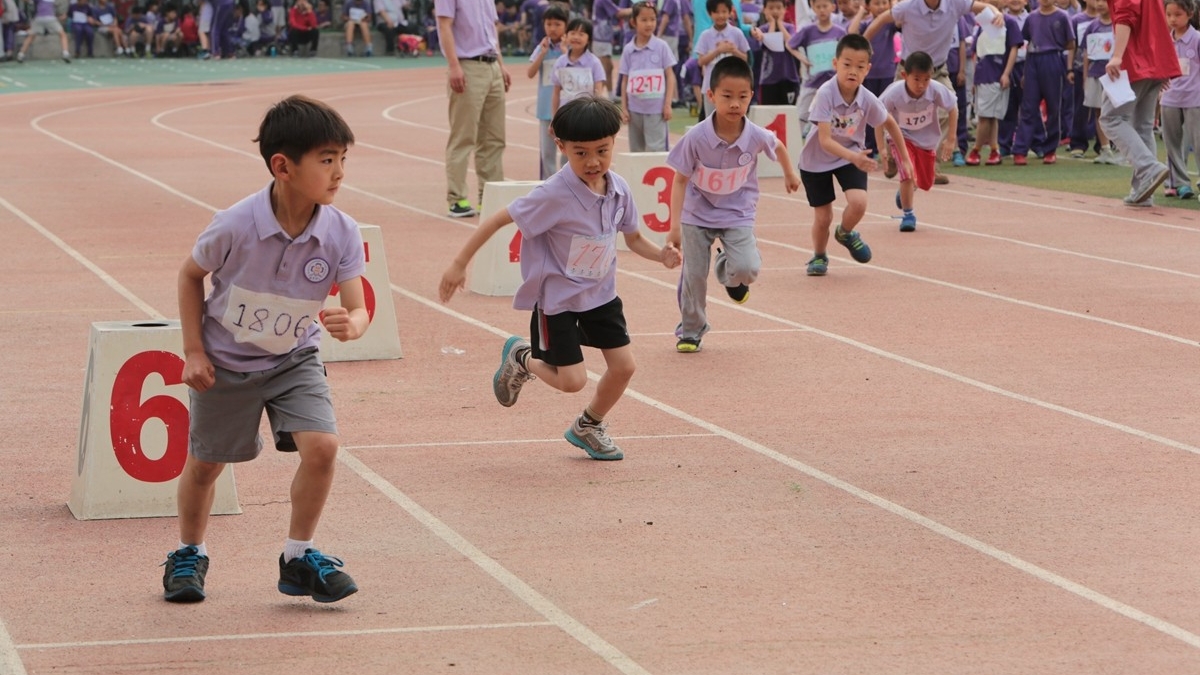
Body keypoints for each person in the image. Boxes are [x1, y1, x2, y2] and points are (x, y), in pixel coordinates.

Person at [162, 95, 366, 605]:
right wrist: (193, 351)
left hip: (293, 358)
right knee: (207, 466)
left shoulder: (342, 231)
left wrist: (353, 324)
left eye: (343, 158)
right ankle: (188, 553)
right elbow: (190, 276)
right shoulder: (234, 224)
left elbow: (359, 306)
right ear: (283, 166)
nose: (339, 172)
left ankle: (299, 557)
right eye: (326, 160)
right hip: (225, 363)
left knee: (322, 448)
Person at [438, 96, 682, 461]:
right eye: (580, 153)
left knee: (625, 367)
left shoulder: (619, 190)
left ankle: (588, 426)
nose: (593, 162)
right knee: (572, 382)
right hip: (558, 301)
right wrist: (459, 263)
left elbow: (632, 239)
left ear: (615, 141)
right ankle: (522, 357)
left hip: (601, 295)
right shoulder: (553, 194)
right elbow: (496, 219)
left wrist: (660, 256)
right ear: (561, 146)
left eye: (602, 150)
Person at [666, 57, 801, 352]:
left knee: (747, 269)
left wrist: (789, 172)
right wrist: (674, 227)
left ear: (751, 96)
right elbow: (679, 180)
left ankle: (728, 269)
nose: (735, 104)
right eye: (727, 97)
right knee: (693, 276)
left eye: (742, 97)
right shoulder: (696, 138)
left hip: (737, 211)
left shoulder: (755, 135)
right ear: (711, 95)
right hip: (696, 213)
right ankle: (691, 330)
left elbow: (776, 145)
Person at [799, 33, 911, 276]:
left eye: (859, 67)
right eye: (846, 64)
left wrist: (905, 160)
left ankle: (846, 232)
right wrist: (855, 158)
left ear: (867, 69)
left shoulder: (867, 98)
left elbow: (890, 123)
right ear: (835, 64)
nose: (852, 71)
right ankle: (819, 256)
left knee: (859, 203)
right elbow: (825, 140)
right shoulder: (826, 94)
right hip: (816, 160)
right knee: (823, 216)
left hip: (849, 154)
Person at [436, 0, 512, 218]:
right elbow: (444, 25)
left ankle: (490, 197)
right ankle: (457, 198)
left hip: (492, 66)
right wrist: (454, 66)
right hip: (468, 65)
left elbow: (491, 31)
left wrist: (501, 64)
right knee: (464, 136)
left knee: (495, 138)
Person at [1101, 0, 1178, 205]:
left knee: (1110, 118)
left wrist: (1117, 56)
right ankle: (1143, 191)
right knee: (1142, 125)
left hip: (1135, 61)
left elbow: (1125, 17)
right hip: (1154, 60)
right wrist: (1162, 66)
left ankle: (1149, 168)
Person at [877, 51, 959, 231]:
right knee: (906, 172)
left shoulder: (936, 89)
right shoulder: (894, 93)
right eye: (916, 79)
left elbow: (953, 108)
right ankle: (908, 215)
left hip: (926, 140)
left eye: (926, 79)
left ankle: (906, 190)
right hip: (901, 138)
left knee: (925, 182)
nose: (921, 85)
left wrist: (950, 139)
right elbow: (878, 118)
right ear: (904, 75)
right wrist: (881, 148)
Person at [1010, 0, 1075, 164]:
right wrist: (1026, 72)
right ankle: (1020, 150)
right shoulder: (1031, 17)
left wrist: (1067, 67)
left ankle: (1050, 149)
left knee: (1054, 107)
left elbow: (1071, 42)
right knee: (1028, 106)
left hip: (1053, 58)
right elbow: (1028, 40)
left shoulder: (1062, 16)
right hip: (1033, 60)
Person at [965, 0, 1022, 165]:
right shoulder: (982, 23)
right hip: (983, 75)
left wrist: (1006, 73)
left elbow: (1014, 48)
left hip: (997, 74)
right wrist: (976, 77)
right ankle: (994, 149)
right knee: (987, 116)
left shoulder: (1008, 22)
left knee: (988, 116)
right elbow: (978, 52)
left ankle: (976, 150)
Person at [620, 1, 678, 151]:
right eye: (644, 20)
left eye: (652, 19)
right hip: (634, 111)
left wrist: (667, 104)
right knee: (636, 151)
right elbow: (624, 80)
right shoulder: (628, 50)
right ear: (633, 22)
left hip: (656, 111)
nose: (649, 24)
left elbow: (670, 76)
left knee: (656, 150)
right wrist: (624, 108)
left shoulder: (661, 46)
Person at [1160, 0, 1200, 199]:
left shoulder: (1197, 39)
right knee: (1172, 143)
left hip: (1195, 99)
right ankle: (1180, 183)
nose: (1173, 19)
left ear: (1190, 14)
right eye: (1169, 15)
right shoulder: (1164, 41)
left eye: (1178, 14)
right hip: (1169, 99)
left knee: (1198, 142)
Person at [849, 0, 899, 156]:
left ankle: (886, 147)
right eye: (877, 3)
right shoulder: (866, 24)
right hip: (868, 75)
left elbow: (900, 20)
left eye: (884, 2)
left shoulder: (890, 24)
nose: (881, 6)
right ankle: (870, 147)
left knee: (886, 111)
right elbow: (851, 33)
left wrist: (894, 6)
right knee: (866, 111)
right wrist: (861, 11)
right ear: (869, 6)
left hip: (888, 74)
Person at [788, 0, 846, 127]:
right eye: (818, 7)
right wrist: (802, 59)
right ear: (813, 8)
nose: (822, 10)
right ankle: (795, 142)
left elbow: (846, 55)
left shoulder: (840, 32)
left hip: (834, 82)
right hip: (812, 81)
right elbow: (790, 44)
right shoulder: (808, 31)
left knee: (837, 115)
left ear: (832, 7)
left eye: (825, 6)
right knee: (801, 114)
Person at [528, 3, 568, 178]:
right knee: (547, 153)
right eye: (549, 24)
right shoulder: (542, 47)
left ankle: (568, 183)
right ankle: (548, 185)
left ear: (566, 25)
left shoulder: (570, 48)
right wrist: (542, 54)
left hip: (566, 109)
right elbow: (530, 73)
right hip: (545, 109)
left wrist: (566, 52)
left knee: (568, 152)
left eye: (557, 24)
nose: (553, 28)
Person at [695, 0, 751, 118]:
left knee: (733, 119)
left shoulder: (737, 33)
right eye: (716, 12)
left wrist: (733, 50)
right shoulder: (706, 35)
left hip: (734, 87)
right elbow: (700, 61)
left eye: (724, 11)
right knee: (711, 121)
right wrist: (718, 51)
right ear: (710, 13)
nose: (720, 15)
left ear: (730, 12)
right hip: (710, 86)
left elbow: (745, 58)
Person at [1080, 0, 1115, 162]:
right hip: (1096, 75)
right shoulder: (1092, 26)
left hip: (1115, 76)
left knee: (1118, 111)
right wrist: (1085, 76)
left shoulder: (1118, 24)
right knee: (1099, 112)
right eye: (1097, 0)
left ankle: (1120, 147)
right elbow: (1086, 53)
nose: (1100, 4)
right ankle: (1105, 148)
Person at [550, 18, 607, 113]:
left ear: (589, 39)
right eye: (572, 33)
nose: (576, 37)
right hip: (565, 114)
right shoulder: (560, 62)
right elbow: (556, 93)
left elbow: (598, 94)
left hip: (587, 115)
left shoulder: (594, 63)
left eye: (581, 34)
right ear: (566, 36)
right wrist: (554, 118)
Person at [750, 0, 799, 105]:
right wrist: (772, 24)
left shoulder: (789, 27)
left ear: (785, 9)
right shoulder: (762, 29)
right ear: (764, 10)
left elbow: (792, 43)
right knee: (768, 113)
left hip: (789, 77)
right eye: (771, 8)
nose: (775, 11)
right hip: (768, 80)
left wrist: (780, 25)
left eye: (778, 8)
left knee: (788, 113)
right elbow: (769, 43)